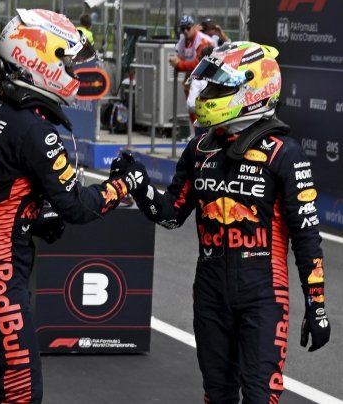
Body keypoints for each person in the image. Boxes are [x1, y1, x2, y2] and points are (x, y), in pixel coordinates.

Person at [115, 41, 331, 403]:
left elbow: (307, 237)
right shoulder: (200, 147)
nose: (208, 94)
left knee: (260, 396)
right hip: (210, 289)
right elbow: (170, 215)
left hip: (263, 292)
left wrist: (317, 305)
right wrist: (139, 185)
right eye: (209, 85)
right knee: (217, 395)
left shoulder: (284, 153)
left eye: (219, 87)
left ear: (252, 89)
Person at [0, 8, 139, 404]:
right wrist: (124, 185)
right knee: (20, 389)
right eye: (67, 63)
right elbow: (76, 207)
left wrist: (34, 217)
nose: (75, 73)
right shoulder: (36, 131)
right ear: (36, 63)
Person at [169, 14, 214, 127]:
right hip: (193, 76)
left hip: (207, 76)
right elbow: (178, 56)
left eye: (188, 28)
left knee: (200, 106)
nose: (185, 31)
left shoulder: (202, 41)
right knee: (191, 106)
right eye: (182, 28)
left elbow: (198, 63)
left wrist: (179, 65)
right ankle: (194, 132)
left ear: (194, 27)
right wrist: (177, 62)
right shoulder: (183, 39)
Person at [185, 45, 214, 139]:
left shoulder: (199, 77)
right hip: (223, 123)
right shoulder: (225, 75)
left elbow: (190, 104)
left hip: (204, 123)